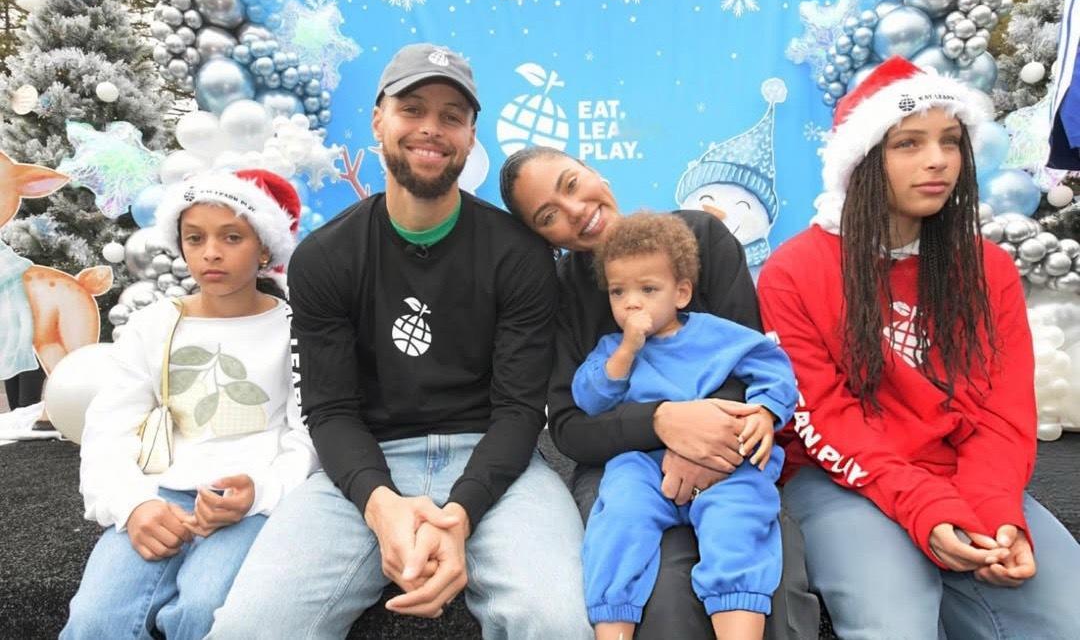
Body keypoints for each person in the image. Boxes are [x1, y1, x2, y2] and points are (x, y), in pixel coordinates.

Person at [208, 43, 591, 638]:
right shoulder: (325, 258)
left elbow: (520, 409)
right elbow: (330, 409)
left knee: (557, 621)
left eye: (451, 116)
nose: (431, 128)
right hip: (369, 458)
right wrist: (379, 502)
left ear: (470, 135)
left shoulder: (519, 254)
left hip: (496, 460)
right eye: (412, 109)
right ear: (378, 120)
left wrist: (460, 513)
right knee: (250, 626)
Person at [757, 56, 1080, 639]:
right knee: (894, 625)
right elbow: (824, 418)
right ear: (862, 160)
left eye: (950, 141)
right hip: (841, 479)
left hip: (967, 473)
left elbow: (1003, 411)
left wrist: (996, 511)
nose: (938, 160)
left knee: (1067, 617)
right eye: (908, 143)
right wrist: (926, 506)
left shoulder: (988, 268)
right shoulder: (793, 272)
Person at [499, 147, 820, 639]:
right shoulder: (561, 293)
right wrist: (660, 422)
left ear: (594, 172)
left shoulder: (701, 238)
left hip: (727, 449)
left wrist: (707, 440)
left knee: (767, 575)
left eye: (571, 184)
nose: (576, 210)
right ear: (543, 238)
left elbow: (751, 362)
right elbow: (570, 427)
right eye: (548, 216)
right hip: (622, 465)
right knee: (662, 592)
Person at [61, 169, 319, 640]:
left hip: (252, 505)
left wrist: (261, 492)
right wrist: (133, 504)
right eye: (195, 238)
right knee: (96, 620)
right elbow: (109, 429)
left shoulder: (297, 329)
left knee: (204, 610)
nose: (211, 252)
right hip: (159, 496)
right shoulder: (152, 325)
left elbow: (308, 433)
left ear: (264, 248)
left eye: (232, 237)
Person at [573, 212, 796, 640]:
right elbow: (590, 399)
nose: (632, 303)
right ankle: (613, 628)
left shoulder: (719, 334)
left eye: (648, 289)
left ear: (681, 292)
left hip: (723, 462)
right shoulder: (612, 349)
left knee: (738, 523)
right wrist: (626, 351)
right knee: (618, 519)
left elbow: (774, 369)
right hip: (643, 464)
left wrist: (766, 412)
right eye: (619, 291)